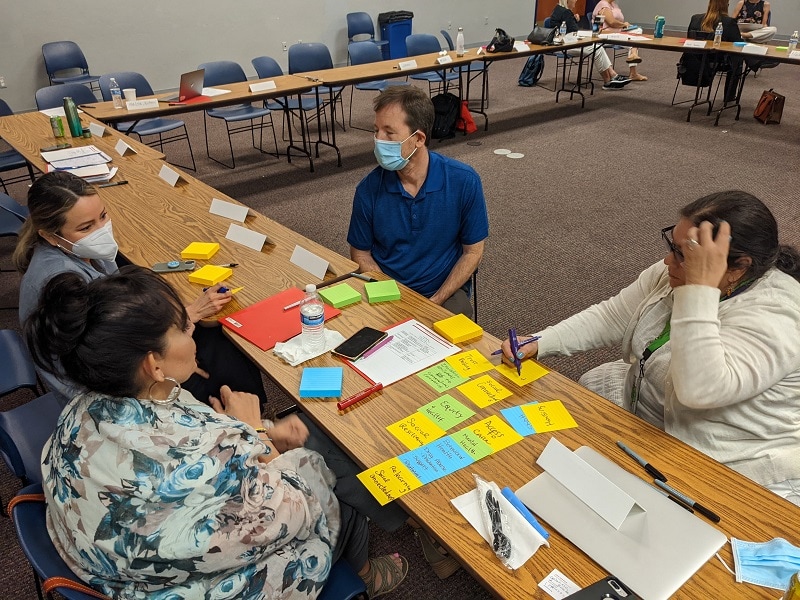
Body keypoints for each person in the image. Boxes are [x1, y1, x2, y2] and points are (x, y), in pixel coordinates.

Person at [25, 266, 408, 598]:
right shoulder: (207, 453)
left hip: (123, 568)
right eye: (180, 328)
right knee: (331, 464)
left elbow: (187, 451)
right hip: (209, 586)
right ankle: (366, 572)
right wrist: (255, 434)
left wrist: (254, 436)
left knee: (308, 447)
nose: (192, 330)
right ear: (154, 365)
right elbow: (298, 510)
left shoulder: (81, 408)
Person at [502, 191, 800, 505]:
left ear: (738, 268)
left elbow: (699, 390)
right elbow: (614, 314)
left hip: (730, 458)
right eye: (673, 247)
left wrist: (698, 290)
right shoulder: (674, 272)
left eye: (685, 255)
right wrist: (540, 341)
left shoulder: (779, 314)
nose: (669, 260)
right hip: (659, 417)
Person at [14, 171, 266, 406]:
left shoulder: (81, 251)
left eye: (102, 216)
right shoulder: (63, 285)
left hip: (120, 359)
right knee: (219, 346)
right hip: (107, 391)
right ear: (50, 235)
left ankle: (248, 413)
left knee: (213, 339)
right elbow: (118, 353)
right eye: (85, 227)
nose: (101, 230)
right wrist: (189, 316)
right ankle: (247, 420)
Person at [347, 86, 489, 318]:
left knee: (455, 345)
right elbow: (361, 253)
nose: (378, 141)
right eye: (376, 131)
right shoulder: (368, 188)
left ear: (419, 139)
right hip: (388, 291)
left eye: (389, 133)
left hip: (443, 292)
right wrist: (394, 297)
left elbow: (473, 252)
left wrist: (435, 301)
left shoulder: (463, 181)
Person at [550, 0, 632, 90]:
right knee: (597, 49)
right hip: (564, 45)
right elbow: (575, 31)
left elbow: (568, 29)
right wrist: (575, 20)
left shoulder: (558, 9)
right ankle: (608, 81)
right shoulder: (566, 12)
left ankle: (612, 76)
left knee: (597, 48)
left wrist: (574, 19)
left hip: (565, 42)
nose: (576, 1)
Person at [687, 0, 744, 103]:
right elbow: (737, 44)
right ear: (726, 5)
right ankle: (729, 96)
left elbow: (689, 39)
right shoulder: (729, 22)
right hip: (718, 62)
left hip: (694, 60)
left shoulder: (695, 18)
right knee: (738, 59)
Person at [592, 0, 648, 81]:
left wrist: (625, 26)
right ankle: (633, 64)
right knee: (633, 42)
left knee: (638, 31)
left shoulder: (614, 5)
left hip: (618, 32)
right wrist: (624, 25)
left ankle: (633, 55)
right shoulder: (602, 4)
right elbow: (611, 22)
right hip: (606, 35)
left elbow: (618, 22)